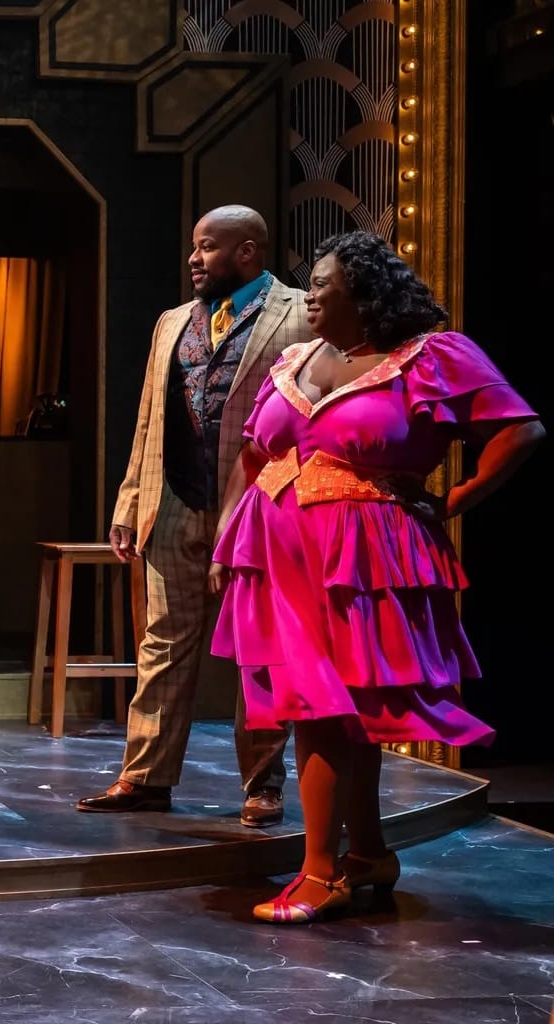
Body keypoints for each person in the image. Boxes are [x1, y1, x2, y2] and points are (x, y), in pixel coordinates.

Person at [207, 231, 543, 923]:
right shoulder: (295, 359)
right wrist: (227, 538)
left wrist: (454, 500)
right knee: (324, 711)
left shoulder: (431, 356)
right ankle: (366, 854)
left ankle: (320, 873)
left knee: (330, 713)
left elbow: (521, 430)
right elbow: (254, 454)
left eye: (320, 286)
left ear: (362, 295)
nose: (308, 297)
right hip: (278, 557)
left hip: (364, 561)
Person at [76, 205, 297, 827]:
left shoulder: (299, 314)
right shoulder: (173, 321)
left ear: (246, 251)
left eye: (207, 247)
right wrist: (130, 501)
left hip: (256, 508)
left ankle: (262, 784)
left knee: (260, 651)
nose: (194, 260)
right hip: (172, 498)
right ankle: (145, 777)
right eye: (194, 247)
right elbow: (150, 417)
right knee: (163, 644)